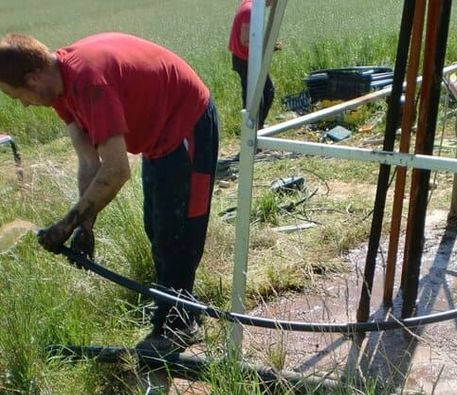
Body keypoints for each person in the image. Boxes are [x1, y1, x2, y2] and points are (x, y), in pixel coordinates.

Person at [0, 32, 219, 353]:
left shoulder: (88, 82)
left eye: (17, 96)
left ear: (32, 79)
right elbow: (89, 161)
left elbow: (116, 170)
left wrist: (67, 224)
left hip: (187, 120)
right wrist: (85, 225)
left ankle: (179, 325)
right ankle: (175, 306)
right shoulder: (60, 90)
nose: (23, 104)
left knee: (178, 231)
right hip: (157, 139)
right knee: (157, 227)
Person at [228, 0, 280, 130]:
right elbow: (245, 40)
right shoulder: (250, 10)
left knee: (265, 91)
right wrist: (268, 45)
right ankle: (252, 131)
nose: (274, 4)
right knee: (257, 97)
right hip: (245, 59)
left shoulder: (251, 6)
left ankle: (257, 127)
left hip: (249, 58)